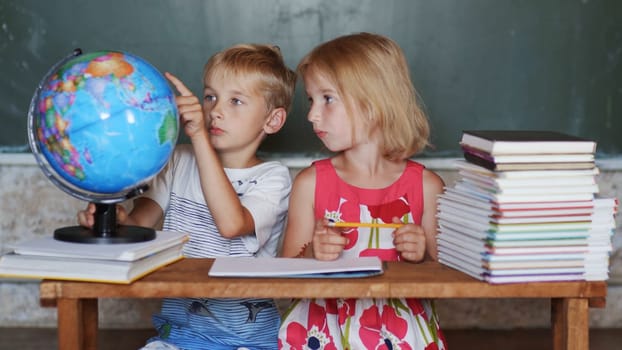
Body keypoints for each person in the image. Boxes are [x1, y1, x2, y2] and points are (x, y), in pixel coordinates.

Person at [78, 44, 296, 350]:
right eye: (210, 96)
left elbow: (232, 225)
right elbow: (141, 223)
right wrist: (112, 220)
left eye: (235, 100)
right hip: (180, 337)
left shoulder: (274, 177)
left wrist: (198, 138)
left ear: (272, 120)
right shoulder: (179, 159)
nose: (216, 110)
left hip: (248, 342)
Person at [277, 33, 447, 349]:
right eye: (312, 100)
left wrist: (421, 257)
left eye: (327, 99)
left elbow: (446, 283)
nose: (312, 115)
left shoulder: (427, 187)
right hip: (320, 335)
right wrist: (313, 254)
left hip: (404, 338)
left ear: (373, 103)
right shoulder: (310, 184)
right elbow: (285, 280)